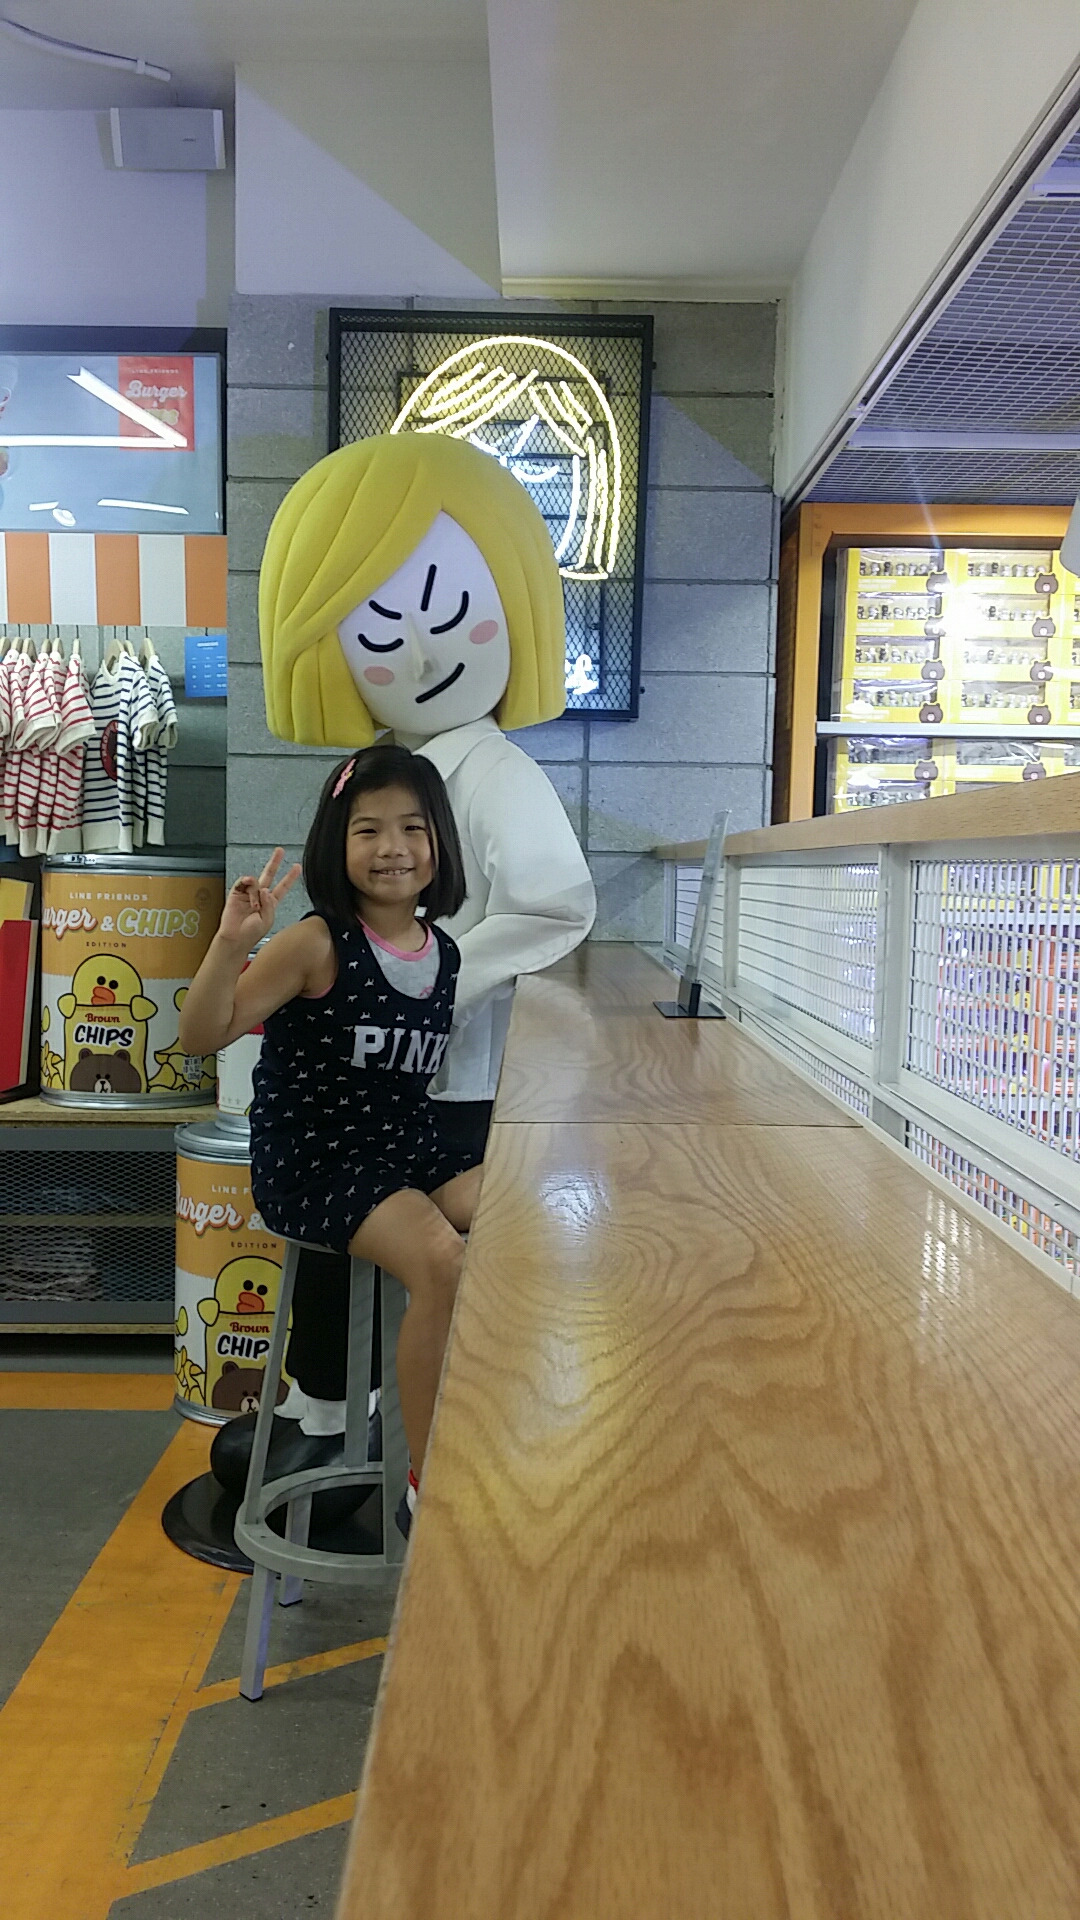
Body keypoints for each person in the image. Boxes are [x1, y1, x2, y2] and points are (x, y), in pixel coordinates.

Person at [251, 432, 596, 1441]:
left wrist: (429, 985)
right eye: (378, 627)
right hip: (391, 1084)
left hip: (446, 1091)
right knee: (340, 1239)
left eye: (450, 615)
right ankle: (330, 1416)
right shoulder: (403, 769)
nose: (419, 650)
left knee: (362, 1239)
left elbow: (558, 901)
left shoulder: (493, 770)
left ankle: (355, 1431)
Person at [179, 742, 478, 1536]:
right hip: (315, 1163)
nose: (392, 848)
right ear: (335, 845)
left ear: (439, 842)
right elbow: (199, 1035)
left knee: (523, 1208)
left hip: (404, 1149)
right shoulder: (315, 942)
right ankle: (427, 1483)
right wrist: (230, 943)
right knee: (442, 1261)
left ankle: (482, 1427)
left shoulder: (445, 953)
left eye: (412, 828)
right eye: (367, 830)